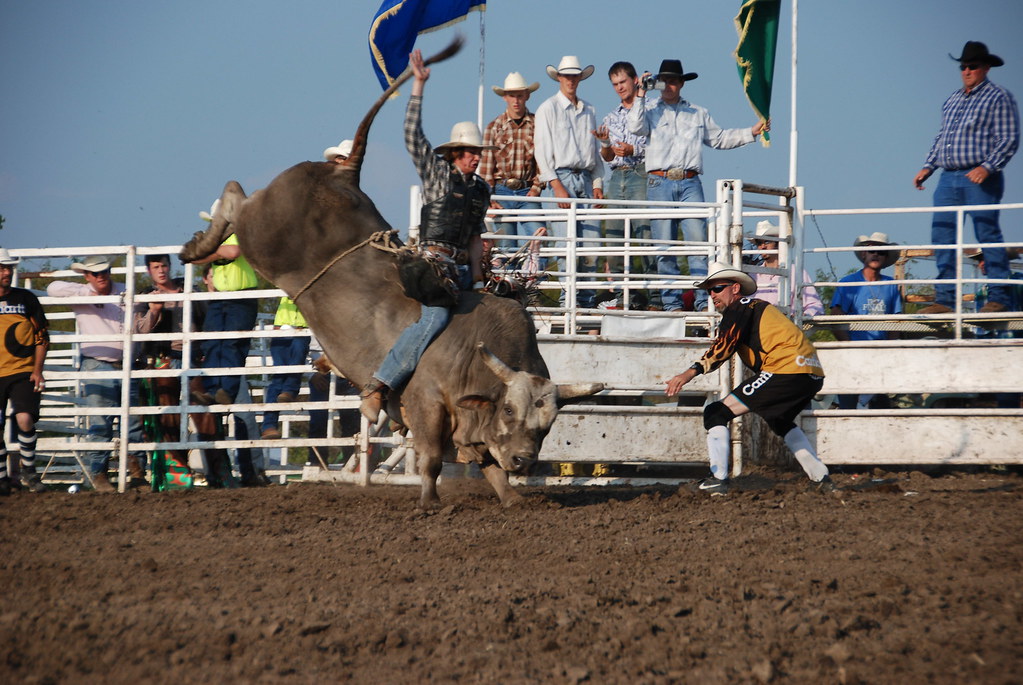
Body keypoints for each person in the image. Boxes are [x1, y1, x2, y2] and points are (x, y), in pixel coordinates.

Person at [359, 49, 490, 422]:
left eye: (476, 153)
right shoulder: (437, 174)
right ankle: (379, 385)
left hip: (461, 268)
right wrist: (418, 84)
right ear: (455, 153)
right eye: (468, 152)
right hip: (432, 264)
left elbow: (474, 239)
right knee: (434, 319)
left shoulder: (480, 191)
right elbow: (412, 135)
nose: (475, 158)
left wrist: (479, 279)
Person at [665, 262, 832, 494]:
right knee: (780, 420)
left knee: (716, 412)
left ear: (735, 288)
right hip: (811, 373)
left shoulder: (741, 306)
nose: (712, 295)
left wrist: (691, 371)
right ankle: (821, 477)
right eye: (708, 291)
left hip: (785, 369)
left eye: (717, 288)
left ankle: (718, 478)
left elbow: (724, 346)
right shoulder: (758, 308)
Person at [628, 59, 769, 311]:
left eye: (673, 80)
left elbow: (720, 138)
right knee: (664, 248)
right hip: (658, 180)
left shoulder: (698, 112)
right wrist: (640, 93)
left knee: (698, 245)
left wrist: (751, 132)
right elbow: (634, 128)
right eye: (665, 81)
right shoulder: (648, 109)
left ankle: (703, 301)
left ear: (682, 83)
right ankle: (672, 304)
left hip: (689, 180)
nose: (669, 85)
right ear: (658, 84)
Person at [914, 41, 1019, 315]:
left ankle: (998, 297)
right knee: (942, 237)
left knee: (987, 232)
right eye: (963, 66)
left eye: (972, 66)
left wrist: (988, 167)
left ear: (985, 67)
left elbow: (1008, 138)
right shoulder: (953, 99)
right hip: (948, 176)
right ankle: (945, 300)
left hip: (979, 177)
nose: (967, 70)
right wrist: (928, 166)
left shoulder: (999, 97)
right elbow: (942, 138)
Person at [47, 255, 146, 492]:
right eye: (95, 273)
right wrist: (88, 294)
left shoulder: (124, 291)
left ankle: (137, 472)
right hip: (98, 363)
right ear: (87, 276)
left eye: (104, 271)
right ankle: (98, 473)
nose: (101, 276)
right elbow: (53, 288)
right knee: (101, 422)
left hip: (126, 362)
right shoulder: (82, 293)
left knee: (132, 421)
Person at [533, 55, 605, 308]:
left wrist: (597, 184)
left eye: (575, 76)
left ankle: (584, 302)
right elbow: (541, 152)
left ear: (579, 79)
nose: (571, 80)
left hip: (585, 178)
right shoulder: (547, 109)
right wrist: (555, 185)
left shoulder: (590, 110)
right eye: (567, 76)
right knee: (566, 245)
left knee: (591, 247)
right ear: (559, 78)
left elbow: (594, 152)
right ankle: (567, 303)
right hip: (561, 177)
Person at [132, 254, 206, 488]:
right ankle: (177, 475)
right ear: (149, 271)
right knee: (167, 417)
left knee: (203, 409)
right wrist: (154, 310)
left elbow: (205, 319)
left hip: (191, 357)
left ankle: (214, 469)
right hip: (162, 360)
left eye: (164, 265)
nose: (161, 271)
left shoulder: (189, 290)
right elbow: (139, 331)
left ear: (170, 266)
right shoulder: (145, 296)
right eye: (156, 267)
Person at [188, 207, 260, 406]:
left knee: (231, 344)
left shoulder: (239, 233)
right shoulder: (218, 239)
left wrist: (209, 251)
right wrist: (213, 252)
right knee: (212, 343)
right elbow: (194, 257)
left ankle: (226, 390)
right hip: (222, 298)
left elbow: (233, 252)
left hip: (241, 297)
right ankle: (214, 390)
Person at [595, 61, 652, 300]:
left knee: (646, 235)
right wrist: (605, 144)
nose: (619, 88)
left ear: (635, 80)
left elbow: (659, 147)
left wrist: (633, 150)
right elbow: (607, 158)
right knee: (615, 237)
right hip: (617, 176)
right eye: (615, 84)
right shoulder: (611, 117)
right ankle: (619, 292)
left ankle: (654, 294)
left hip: (642, 172)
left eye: (623, 82)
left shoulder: (652, 109)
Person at [829, 232, 903, 410]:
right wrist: (849, 347)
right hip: (853, 352)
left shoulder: (891, 285)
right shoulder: (848, 283)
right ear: (864, 254)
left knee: (880, 406)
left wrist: (890, 350)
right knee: (848, 404)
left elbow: (896, 321)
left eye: (881, 251)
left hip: (880, 354)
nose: (876, 254)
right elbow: (835, 316)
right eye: (872, 250)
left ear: (885, 258)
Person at [480, 72, 545, 262]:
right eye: (511, 95)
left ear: (527, 96)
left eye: (519, 95)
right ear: (505, 97)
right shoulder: (494, 127)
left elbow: (543, 159)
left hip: (528, 190)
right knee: (506, 248)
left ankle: (535, 283)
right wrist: (489, 198)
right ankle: (508, 288)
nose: (515, 100)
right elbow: (486, 166)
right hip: (501, 190)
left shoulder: (537, 124)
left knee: (539, 238)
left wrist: (536, 187)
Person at [0, 248, 50, 495]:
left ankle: (29, 472)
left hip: (22, 371)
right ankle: (2, 478)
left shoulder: (25, 299)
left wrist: (37, 370)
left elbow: (42, 337)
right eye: (2, 268)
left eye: (8, 268)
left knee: (25, 419)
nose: (6, 272)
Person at [749, 220, 824, 317]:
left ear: (777, 243)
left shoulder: (796, 273)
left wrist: (802, 316)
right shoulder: (753, 275)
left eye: (767, 241)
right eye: (759, 243)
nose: (763, 246)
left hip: (787, 326)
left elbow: (814, 305)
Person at [260, 296, 310, 440]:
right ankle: (269, 426)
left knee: (293, 366)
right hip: (281, 331)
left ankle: (289, 391)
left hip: (300, 330)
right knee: (278, 377)